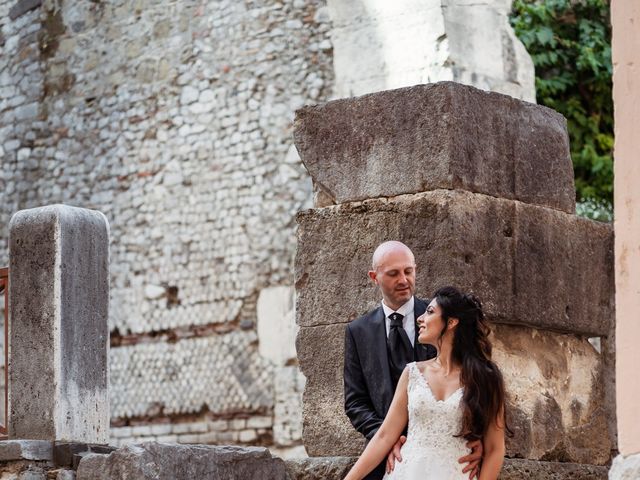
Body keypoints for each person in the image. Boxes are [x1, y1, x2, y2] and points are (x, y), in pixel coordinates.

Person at [344, 242, 482, 480]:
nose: (404, 280)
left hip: (450, 458)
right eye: (393, 273)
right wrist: (390, 440)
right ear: (374, 277)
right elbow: (355, 401)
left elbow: (475, 381)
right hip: (385, 460)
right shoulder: (358, 331)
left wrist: (479, 436)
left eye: (408, 271)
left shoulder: (440, 317)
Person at [344, 286, 509, 480]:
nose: (420, 318)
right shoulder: (412, 373)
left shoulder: (486, 378)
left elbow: (495, 449)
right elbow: (384, 436)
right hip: (407, 473)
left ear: (451, 322)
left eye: (429, 312)